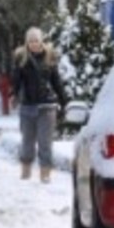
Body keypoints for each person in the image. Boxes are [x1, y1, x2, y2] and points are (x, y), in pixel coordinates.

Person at [10, 26, 68, 183]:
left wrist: (64, 101)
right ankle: (26, 172)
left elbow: (56, 81)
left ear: (41, 41)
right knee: (27, 142)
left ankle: (45, 173)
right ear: (27, 43)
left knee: (45, 142)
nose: (34, 44)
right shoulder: (21, 59)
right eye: (31, 41)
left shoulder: (49, 57)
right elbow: (16, 81)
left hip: (46, 107)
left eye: (36, 40)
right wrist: (14, 95)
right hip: (27, 106)